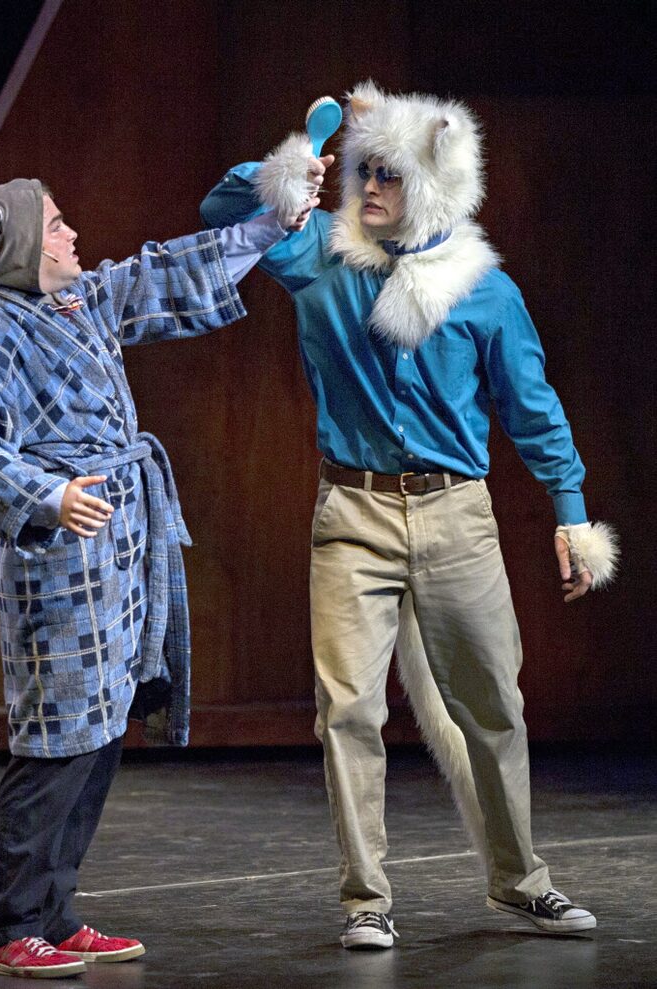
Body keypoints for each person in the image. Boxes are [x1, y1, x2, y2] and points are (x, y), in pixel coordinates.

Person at [200, 83, 618, 949]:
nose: (371, 188)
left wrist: (571, 515)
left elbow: (532, 410)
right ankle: (365, 899)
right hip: (351, 510)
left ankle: (520, 881)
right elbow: (222, 206)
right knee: (347, 709)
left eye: (388, 174)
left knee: (493, 703)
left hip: (456, 514)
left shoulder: (484, 292)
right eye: (365, 172)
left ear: (431, 186)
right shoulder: (320, 252)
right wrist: (305, 157)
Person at [0, 158, 300, 978]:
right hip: (58, 558)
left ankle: (54, 915)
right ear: (26, 243)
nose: (72, 234)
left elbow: (160, 272)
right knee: (58, 740)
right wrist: (52, 493)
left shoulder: (75, 303)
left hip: (120, 548)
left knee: (100, 734)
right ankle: (5, 929)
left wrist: (270, 225)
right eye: (57, 224)